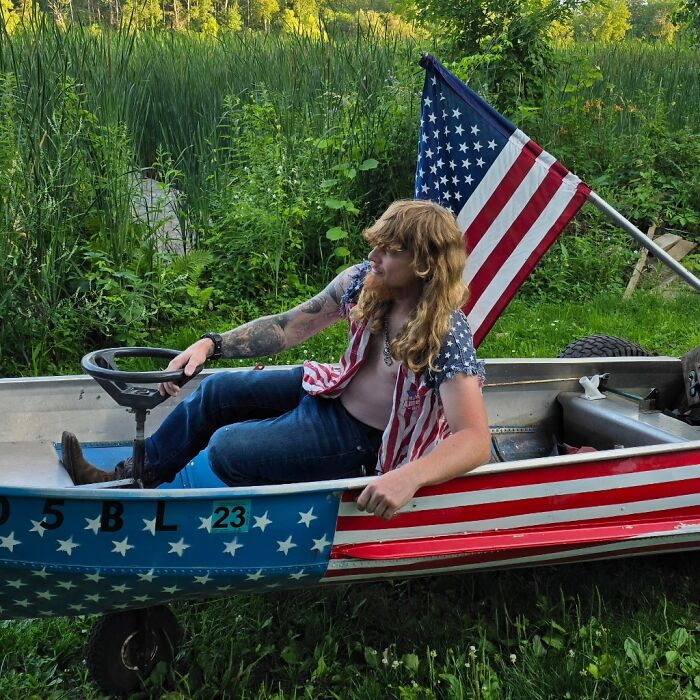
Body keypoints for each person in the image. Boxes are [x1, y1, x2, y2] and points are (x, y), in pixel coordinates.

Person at [62, 199, 491, 520]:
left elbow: (473, 439)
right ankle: (134, 476)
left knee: (229, 449)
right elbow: (288, 328)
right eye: (376, 246)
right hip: (332, 388)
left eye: (390, 251)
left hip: (369, 443)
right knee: (217, 392)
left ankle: (249, 508)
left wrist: (409, 476)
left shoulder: (445, 332)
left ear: (424, 265)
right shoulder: (363, 280)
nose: (374, 257)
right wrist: (211, 344)